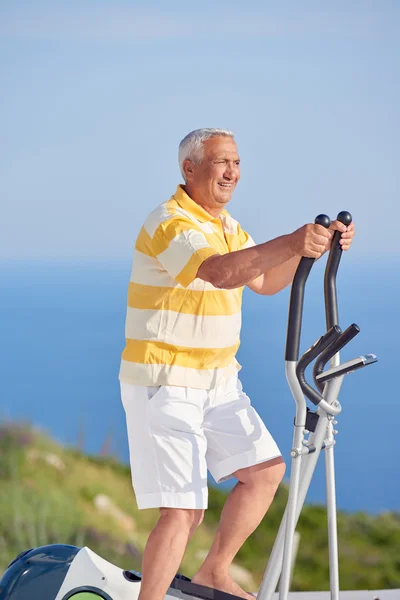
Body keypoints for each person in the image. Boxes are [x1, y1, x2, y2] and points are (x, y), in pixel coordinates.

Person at [119, 128, 355, 600]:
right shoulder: (170, 221)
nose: (232, 172)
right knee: (183, 512)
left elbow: (264, 279)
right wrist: (291, 239)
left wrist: (316, 247)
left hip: (218, 380)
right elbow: (222, 273)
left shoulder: (226, 226)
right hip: (165, 380)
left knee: (265, 471)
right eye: (221, 162)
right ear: (189, 169)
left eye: (237, 163)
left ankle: (213, 573)